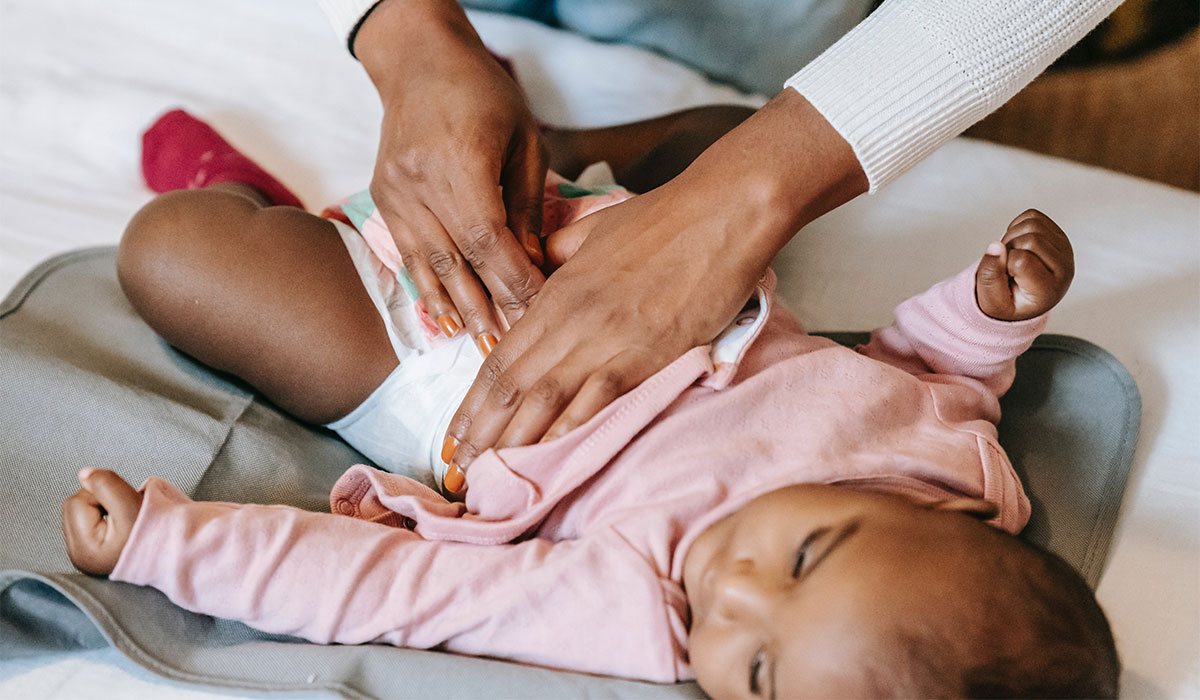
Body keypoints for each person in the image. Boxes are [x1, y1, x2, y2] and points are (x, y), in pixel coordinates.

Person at [62, 112, 1118, 697]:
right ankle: (546, 145)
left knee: (179, 253)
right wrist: (990, 318)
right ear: (946, 515)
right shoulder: (953, 462)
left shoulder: (637, 605)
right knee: (747, 131)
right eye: (807, 555)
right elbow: (929, 375)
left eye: (752, 672)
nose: (736, 584)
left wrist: (172, 544)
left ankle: (254, 197)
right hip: (657, 248)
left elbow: (400, 592)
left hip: (453, 353)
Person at [313, 0, 1123, 489]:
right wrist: (406, 33)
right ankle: (541, 143)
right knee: (719, 131)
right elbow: (935, 383)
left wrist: (741, 197)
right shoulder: (932, 481)